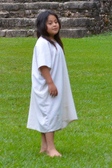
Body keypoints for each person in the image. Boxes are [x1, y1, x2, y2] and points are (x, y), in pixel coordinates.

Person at [27, 11, 77, 157]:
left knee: (47, 113)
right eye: (50, 23)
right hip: (48, 84)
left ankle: (44, 146)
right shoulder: (43, 43)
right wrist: (50, 83)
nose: (54, 24)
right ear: (43, 26)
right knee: (49, 113)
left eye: (56, 21)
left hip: (54, 83)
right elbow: (43, 65)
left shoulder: (53, 42)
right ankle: (51, 148)